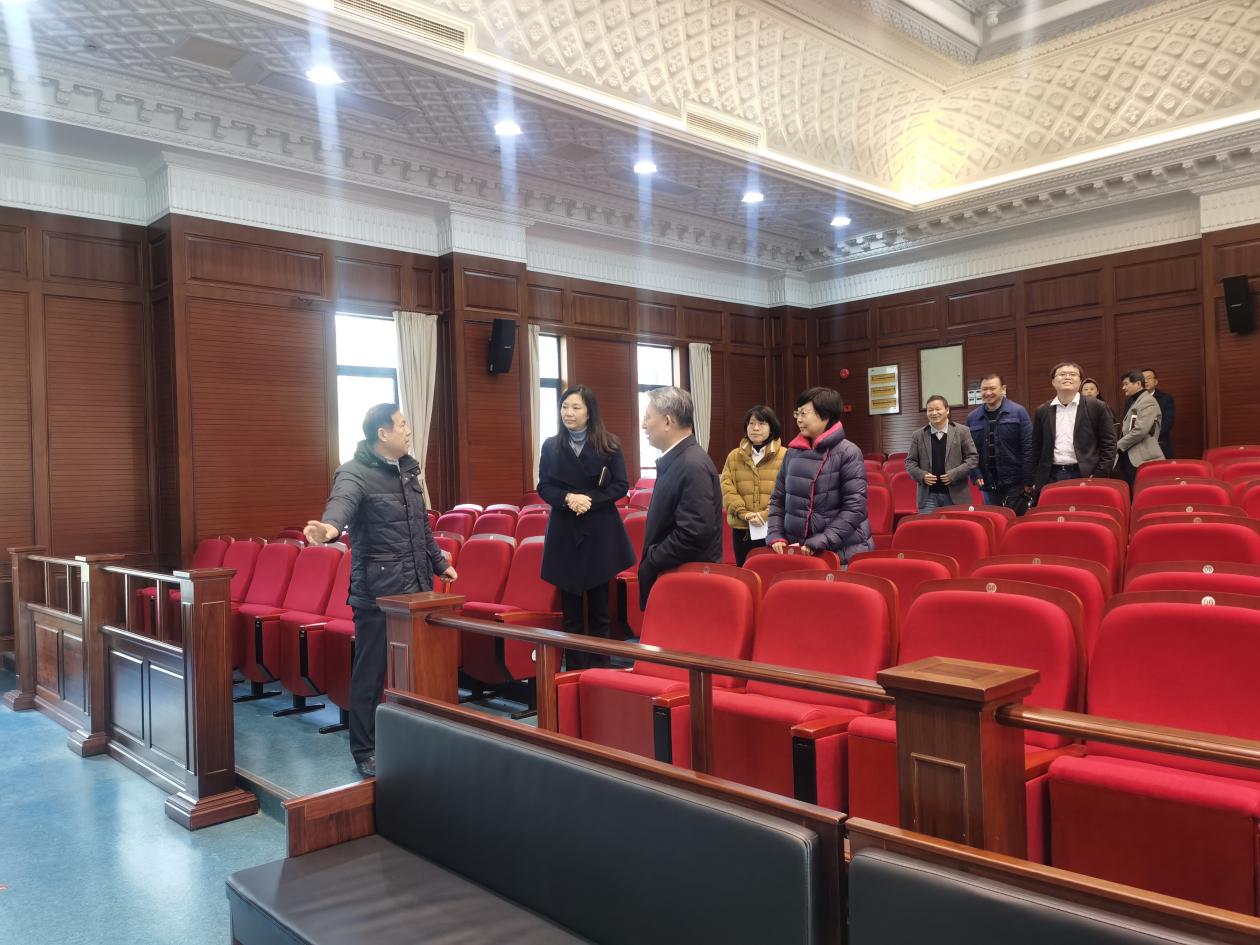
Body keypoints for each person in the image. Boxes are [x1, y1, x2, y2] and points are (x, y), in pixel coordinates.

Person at [304, 404, 456, 779]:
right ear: (382, 434)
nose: (408, 430)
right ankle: (365, 749)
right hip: (378, 593)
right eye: (402, 425)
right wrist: (328, 530)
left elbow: (420, 527)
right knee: (371, 674)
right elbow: (340, 506)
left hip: (417, 590)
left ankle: (415, 741)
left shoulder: (408, 469)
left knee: (417, 671)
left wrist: (439, 564)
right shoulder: (354, 472)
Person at [537, 385, 635, 669]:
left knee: (600, 614)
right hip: (565, 530)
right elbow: (544, 486)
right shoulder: (551, 446)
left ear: (589, 412)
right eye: (564, 407)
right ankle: (575, 673)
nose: (568, 412)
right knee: (571, 616)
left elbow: (621, 485)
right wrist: (569, 498)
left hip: (599, 531)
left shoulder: (609, 444)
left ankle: (599, 673)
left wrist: (588, 500)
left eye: (575, 407)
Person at [637, 387, 723, 609]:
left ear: (667, 421)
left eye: (647, 417)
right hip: (675, 578)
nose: (643, 425)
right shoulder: (680, 459)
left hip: (684, 585)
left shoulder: (691, 464)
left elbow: (693, 533)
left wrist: (653, 559)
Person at [767, 387, 873, 562]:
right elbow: (778, 499)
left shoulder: (848, 452)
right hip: (800, 550)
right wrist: (776, 534)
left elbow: (855, 508)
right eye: (797, 413)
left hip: (841, 551)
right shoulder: (792, 452)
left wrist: (823, 540)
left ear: (825, 416)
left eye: (804, 413)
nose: (799, 419)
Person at [1032, 362, 1117, 490]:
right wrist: (1035, 477)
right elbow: (1036, 447)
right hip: (1051, 476)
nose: (1067, 377)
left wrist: (1100, 474)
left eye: (1072, 374)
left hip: (1085, 474)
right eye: (1062, 374)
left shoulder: (1096, 406)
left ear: (1080, 381)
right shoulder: (1042, 410)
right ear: (1053, 382)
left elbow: (1109, 444)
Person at [720, 405, 785, 566]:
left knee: (771, 571)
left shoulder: (785, 455)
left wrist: (765, 514)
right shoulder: (734, 456)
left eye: (762, 424)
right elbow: (727, 487)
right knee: (744, 570)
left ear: (772, 428)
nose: (755, 428)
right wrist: (744, 513)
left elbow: (788, 491)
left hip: (773, 528)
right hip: (742, 528)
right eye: (751, 423)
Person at [965, 373, 1034, 509]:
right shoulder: (972, 418)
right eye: (984, 389)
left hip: (1015, 483)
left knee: (1015, 519)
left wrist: (1028, 480)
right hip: (988, 483)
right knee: (993, 519)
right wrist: (975, 474)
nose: (988, 393)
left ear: (1003, 389)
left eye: (992, 388)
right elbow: (968, 451)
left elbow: (1029, 447)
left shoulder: (1019, 412)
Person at [906, 395, 979, 512]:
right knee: (927, 525)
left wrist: (954, 474)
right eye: (930, 410)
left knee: (957, 525)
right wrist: (922, 476)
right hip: (928, 497)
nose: (934, 413)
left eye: (938, 409)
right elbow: (910, 462)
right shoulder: (918, 435)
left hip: (956, 496)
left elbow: (973, 458)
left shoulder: (962, 431)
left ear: (947, 410)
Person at [1115, 370, 1164, 487]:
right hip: (1132, 456)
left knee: (1142, 491)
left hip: (1142, 458)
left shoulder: (1147, 401)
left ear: (1137, 384)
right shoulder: (1136, 401)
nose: (1123, 387)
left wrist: (1118, 446)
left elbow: (1140, 430)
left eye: (1126, 384)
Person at [1142, 368, 1175, 459]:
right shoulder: (1131, 401)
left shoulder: (1166, 398)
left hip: (1160, 442)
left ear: (1155, 381)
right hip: (1139, 446)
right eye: (1143, 379)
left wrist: (1152, 437)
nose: (1146, 381)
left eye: (1149, 378)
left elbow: (1168, 421)